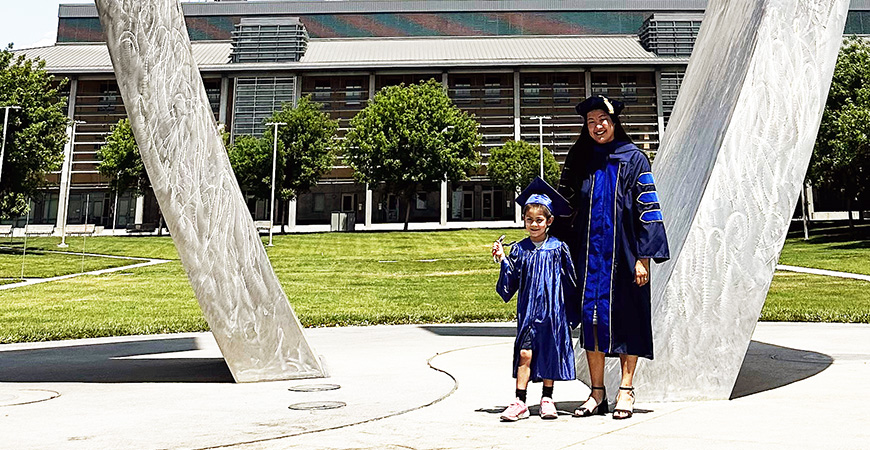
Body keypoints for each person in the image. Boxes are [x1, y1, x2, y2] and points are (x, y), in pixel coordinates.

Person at [551, 95, 669, 420]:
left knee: (629, 319)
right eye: (590, 122)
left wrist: (643, 257)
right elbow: (566, 209)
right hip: (590, 261)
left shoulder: (634, 161)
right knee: (592, 323)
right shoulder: (580, 160)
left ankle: (627, 389)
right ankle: (597, 392)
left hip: (626, 257)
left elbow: (648, 211)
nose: (596, 126)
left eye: (602, 119)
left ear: (614, 122)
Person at [492, 177, 578, 422]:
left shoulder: (558, 248)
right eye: (529, 220)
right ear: (524, 220)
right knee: (525, 354)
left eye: (539, 220)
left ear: (549, 221)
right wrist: (502, 260)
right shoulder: (519, 249)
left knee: (549, 352)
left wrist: (571, 311)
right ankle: (519, 401)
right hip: (529, 311)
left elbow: (570, 282)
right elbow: (512, 280)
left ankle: (547, 398)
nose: (534, 224)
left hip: (553, 312)